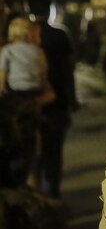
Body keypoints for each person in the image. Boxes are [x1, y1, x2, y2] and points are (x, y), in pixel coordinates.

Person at [27, 0, 78, 198]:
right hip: (57, 101)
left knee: (33, 151)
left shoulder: (23, 34)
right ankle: (53, 192)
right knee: (54, 150)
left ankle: (37, 195)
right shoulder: (60, 35)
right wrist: (72, 98)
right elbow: (68, 69)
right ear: (50, 10)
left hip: (29, 102)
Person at [0, 17, 55, 189]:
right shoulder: (38, 52)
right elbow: (43, 77)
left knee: (14, 138)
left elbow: (2, 77)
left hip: (15, 95)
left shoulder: (7, 50)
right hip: (34, 94)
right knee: (30, 141)